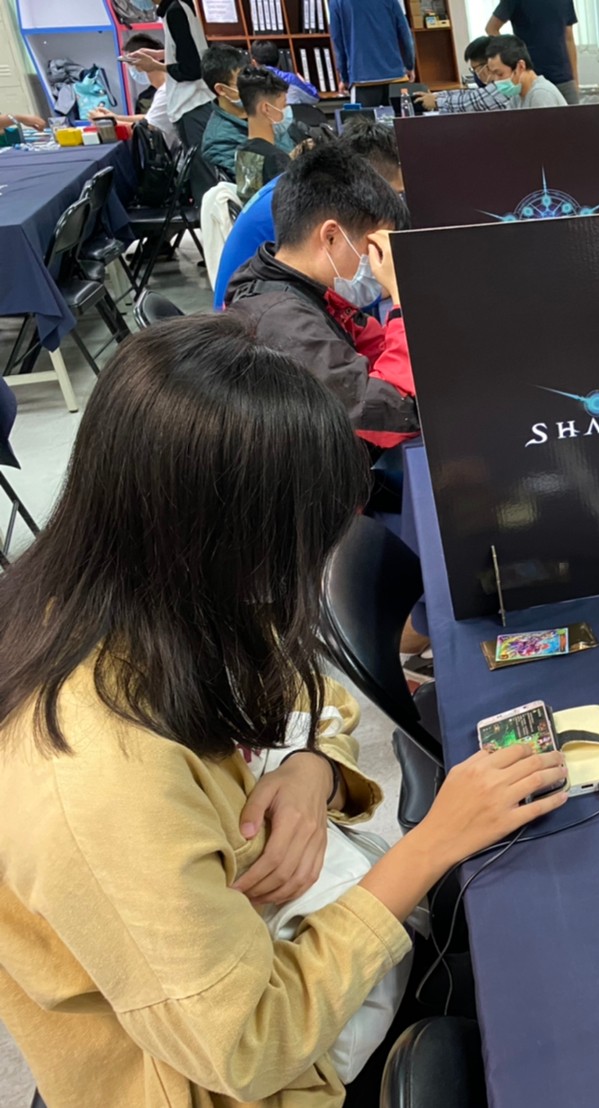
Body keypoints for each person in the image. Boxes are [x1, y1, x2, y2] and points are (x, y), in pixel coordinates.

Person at [0, 314, 567, 1107]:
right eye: (293, 549)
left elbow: (310, 700)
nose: (298, 578)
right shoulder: (97, 780)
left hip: (315, 954)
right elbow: (252, 1048)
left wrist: (311, 771)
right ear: (220, 538)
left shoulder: (161, 598)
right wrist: (430, 845)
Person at [225, 143, 419, 449]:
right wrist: (402, 300)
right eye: (374, 249)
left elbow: (375, 343)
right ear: (330, 237)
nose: (378, 264)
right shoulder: (282, 322)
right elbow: (394, 414)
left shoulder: (293, 284)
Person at [213, 118, 403, 310]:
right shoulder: (309, 207)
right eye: (393, 192)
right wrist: (392, 288)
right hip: (258, 311)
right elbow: (337, 292)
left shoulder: (303, 186)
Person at [128, 0, 214, 150]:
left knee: (201, 161)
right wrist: (161, 54)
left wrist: (155, 65)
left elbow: (191, 70)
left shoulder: (175, 12)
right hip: (197, 102)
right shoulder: (180, 6)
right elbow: (193, 50)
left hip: (191, 103)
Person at [201, 45, 293, 180]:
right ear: (221, 89)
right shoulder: (218, 141)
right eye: (241, 82)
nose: (250, 84)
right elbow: (252, 183)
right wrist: (293, 162)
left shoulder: (260, 106)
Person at [89, 33, 179, 147]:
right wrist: (115, 117)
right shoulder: (165, 88)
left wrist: (105, 123)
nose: (131, 69)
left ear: (140, 64)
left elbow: (146, 130)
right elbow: (147, 118)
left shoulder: (166, 92)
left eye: (130, 63)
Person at [486, 0, 579, 105]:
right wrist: (510, 55)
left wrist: (575, 79)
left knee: (572, 115)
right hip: (530, 78)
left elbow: (568, 38)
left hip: (564, 79)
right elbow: (491, 28)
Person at [328, 0, 416, 109]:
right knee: (402, 119)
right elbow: (405, 35)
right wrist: (409, 65)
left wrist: (344, 77)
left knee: (361, 120)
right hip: (395, 78)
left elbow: (338, 41)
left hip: (362, 79)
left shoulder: (337, 2)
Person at [413, 35, 515, 114]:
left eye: (475, 69)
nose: (475, 74)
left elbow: (470, 102)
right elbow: (472, 94)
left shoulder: (506, 85)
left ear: (487, 66)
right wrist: (436, 95)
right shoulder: (500, 82)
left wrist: (436, 102)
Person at [235, 67, 293, 201]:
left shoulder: (241, 151)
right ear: (266, 108)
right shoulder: (275, 158)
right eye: (284, 105)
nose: (287, 110)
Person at [480, 35, 568, 110]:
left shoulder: (541, 94)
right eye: (494, 74)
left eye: (500, 74)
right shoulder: (517, 97)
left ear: (521, 66)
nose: (496, 80)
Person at [251, 39, 320, 105]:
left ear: (254, 62)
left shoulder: (250, 81)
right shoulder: (290, 79)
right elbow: (314, 97)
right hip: (289, 113)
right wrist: (304, 82)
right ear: (279, 60)